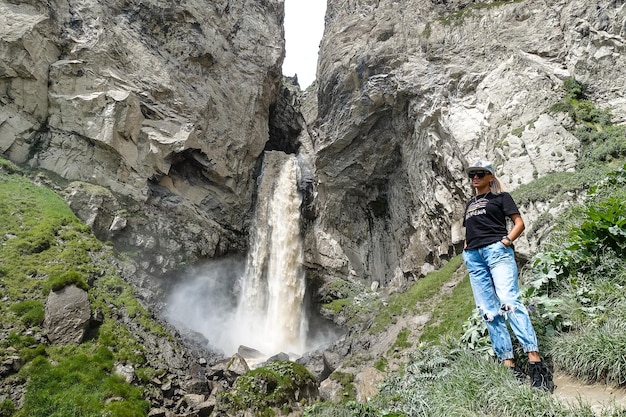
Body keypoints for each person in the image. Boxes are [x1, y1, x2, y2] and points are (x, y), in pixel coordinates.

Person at [461, 160, 554, 392]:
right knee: (489, 312)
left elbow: (519, 223)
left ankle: (536, 364)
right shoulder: (470, 203)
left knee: (509, 302)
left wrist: (506, 241)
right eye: (472, 174)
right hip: (474, 257)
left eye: (480, 174)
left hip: (497, 252)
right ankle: (509, 365)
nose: (475, 177)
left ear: (490, 176)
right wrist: (465, 249)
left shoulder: (501, 197)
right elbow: (470, 231)